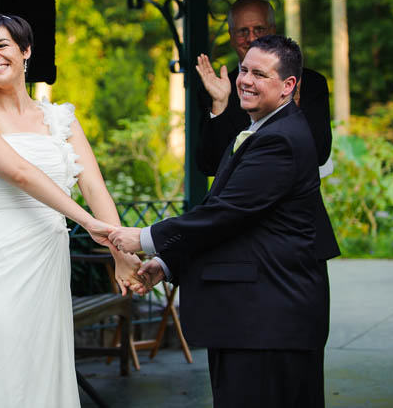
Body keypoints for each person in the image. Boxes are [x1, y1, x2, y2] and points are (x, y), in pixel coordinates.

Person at [110, 35, 332, 408]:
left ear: (288, 86)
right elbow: (233, 221)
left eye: (259, 74)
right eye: (244, 70)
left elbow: (225, 215)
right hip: (250, 318)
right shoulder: (260, 129)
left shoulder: (282, 139)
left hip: (270, 319)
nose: (245, 80)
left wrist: (145, 238)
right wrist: (167, 264)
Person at [0, 13, 143, 407]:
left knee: (42, 369)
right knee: (0, 370)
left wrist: (120, 253)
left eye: (2, 45)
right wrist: (87, 222)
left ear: (25, 51)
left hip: (46, 262)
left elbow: (94, 185)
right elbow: (21, 173)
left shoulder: (61, 118)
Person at [196, 0, 333, 178]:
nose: (252, 38)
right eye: (242, 31)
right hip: (239, 200)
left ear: (273, 31)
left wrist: (293, 101)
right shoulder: (215, 89)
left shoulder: (310, 83)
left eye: (259, 29)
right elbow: (210, 165)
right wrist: (220, 104)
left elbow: (319, 154)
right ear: (231, 36)